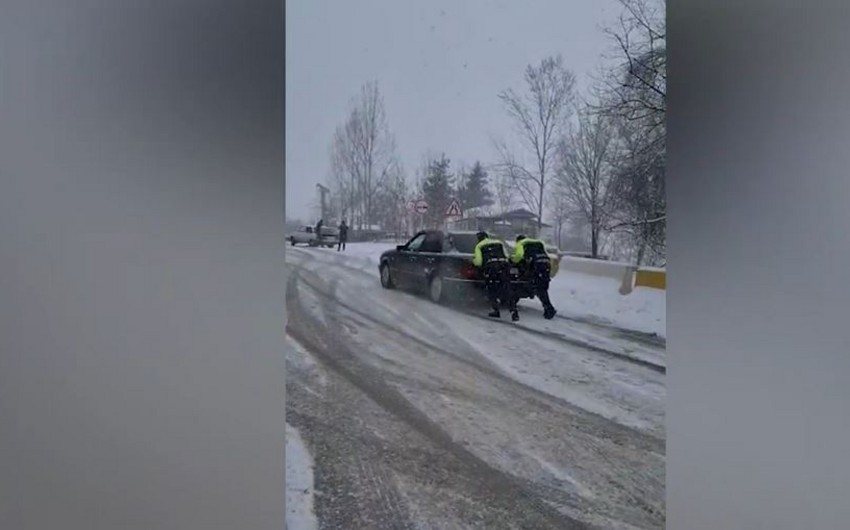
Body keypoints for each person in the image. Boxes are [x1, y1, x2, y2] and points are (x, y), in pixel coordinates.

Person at [473, 231, 519, 321]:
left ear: (479, 239)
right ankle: (513, 311)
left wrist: (475, 262)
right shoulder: (499, 243)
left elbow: (478, 262)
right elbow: (507, 255)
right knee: (507, 289)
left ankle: (496, 310)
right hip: (503, 267)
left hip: (491, 268)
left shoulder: (479, 246)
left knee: (492, 289)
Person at [512, 234, 557, 319]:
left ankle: (549, 309)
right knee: (542, 288)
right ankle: (548, 308)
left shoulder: (521, 243)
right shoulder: (538, 243)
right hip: (546, 263)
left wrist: (513, 261)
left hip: (536, 265)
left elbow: (519, 255)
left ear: (518, 240)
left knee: (538, 288)